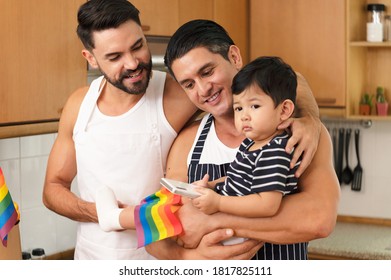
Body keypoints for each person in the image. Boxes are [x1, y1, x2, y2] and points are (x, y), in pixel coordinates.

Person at [143, 19, 340, 260]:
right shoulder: (188, 141)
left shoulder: (299, 133)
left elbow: (318, 219)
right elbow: (156, 232)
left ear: (235, 57)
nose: (203, 89)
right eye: (189, 84)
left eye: (207, 72)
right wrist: (186, 258)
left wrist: (211, 219)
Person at [42, 0, 199, 259]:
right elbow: (53, 188)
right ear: (91, 58)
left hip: (158, 261)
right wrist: (101, 213)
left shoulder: (178, 93)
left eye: (138, 46)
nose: (133, 63)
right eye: (115, 57)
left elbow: (260, 85)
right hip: (91, 260)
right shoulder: (79, 105)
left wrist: (291, 116)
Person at [192, 56, 300, 222]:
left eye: (255, 106)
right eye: (239, 108)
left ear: (284, 110)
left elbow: (267, 205)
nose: (244, 116)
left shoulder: (276, 150)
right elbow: (237, 178)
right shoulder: (251, 143)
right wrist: (212, 185)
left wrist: (219, 202)